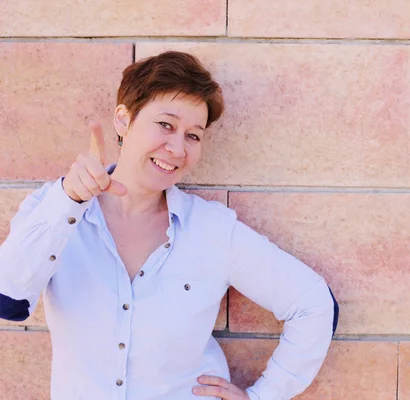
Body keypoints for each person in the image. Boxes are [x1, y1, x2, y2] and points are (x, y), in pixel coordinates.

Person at [0, 51, 339, 400]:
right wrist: (69, 200)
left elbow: (313, 303)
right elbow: (8, 297)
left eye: (193, 135)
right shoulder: (55, 208)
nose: (177, 148)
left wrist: (263, 395)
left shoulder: (211, 230)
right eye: (166, 125)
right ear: (123, 120)